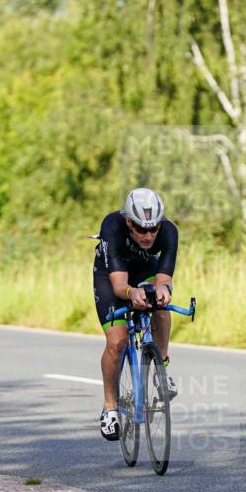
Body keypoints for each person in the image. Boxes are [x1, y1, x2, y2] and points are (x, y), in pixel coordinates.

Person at [93, 187, 179, 441]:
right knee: (117, 340)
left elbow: (164, 279)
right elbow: (120, 286)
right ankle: (110, 408)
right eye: (141, 229)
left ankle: (161, 367)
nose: (148, 235)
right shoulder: (112, 226)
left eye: (154, 229)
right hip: (111, 277)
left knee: (161, 307)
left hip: (144, 270)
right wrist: (132, 294)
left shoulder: (169, 232)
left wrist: (163, 292)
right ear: (129, 222)